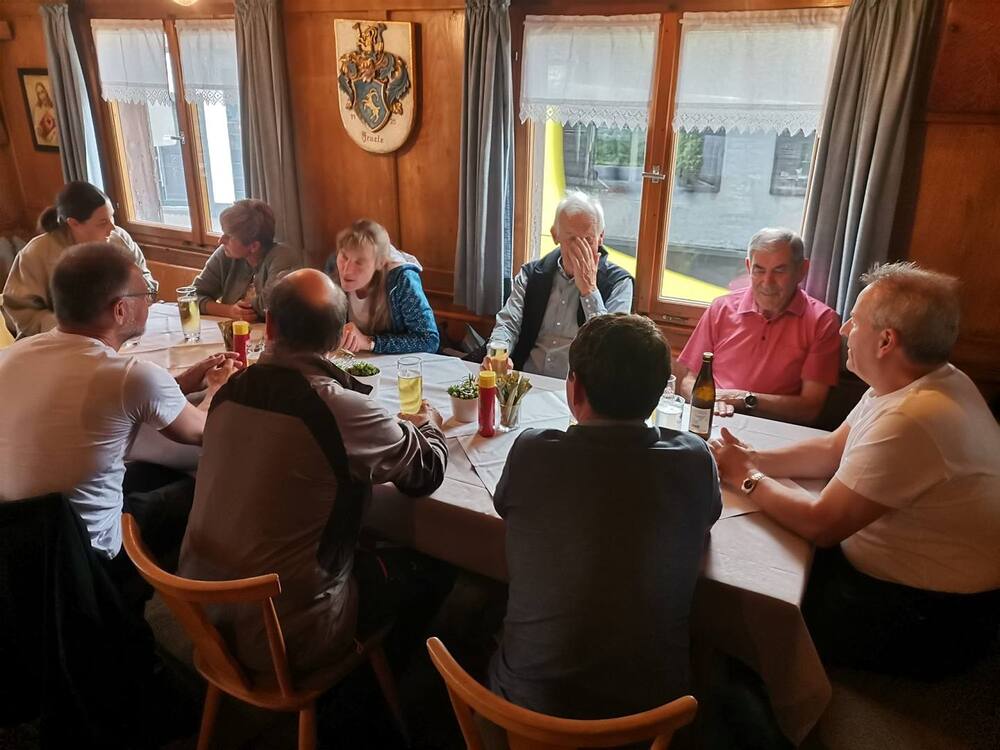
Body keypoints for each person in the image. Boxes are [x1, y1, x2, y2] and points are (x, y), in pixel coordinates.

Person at [710, 262, 1000, 677]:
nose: (845, 329)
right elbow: (832, 449)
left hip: (932, 614)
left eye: (856, 320)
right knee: (759, 556)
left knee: (744, 614)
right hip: (894, 576)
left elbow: (821, 525)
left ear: (886, 341)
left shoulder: (916, 417)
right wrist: (751, 459)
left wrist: (745, 477)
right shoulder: (914, 380)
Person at [179, 269, 451, 676]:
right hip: (285, 635)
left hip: (202, 616)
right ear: (339, 337)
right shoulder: (336, 409)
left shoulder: (229, 391)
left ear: (270, 325)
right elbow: (425, 473)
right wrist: (429, 424)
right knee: (435, 567)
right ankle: (362, 693)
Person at [489, 313, 721, 720]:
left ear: (575, 388)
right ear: (659, 394)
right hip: (650, 723)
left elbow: (505, 507)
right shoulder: (695, 459)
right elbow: (707, 519)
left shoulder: (531, 451)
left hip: (528, 717)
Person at [0, 242, 237, 596]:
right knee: (208, 483)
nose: (151, 302)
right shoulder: (129, 376)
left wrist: (179, 384)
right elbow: (204, 431)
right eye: (147, 294)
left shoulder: (10, 357)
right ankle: (200, 601)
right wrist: (218, 387)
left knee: (147, 470)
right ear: (121, 310)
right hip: (91, 559)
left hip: (19, 547)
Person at [677, 228, 840, 425]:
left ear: (802, 270)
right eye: (759, 270)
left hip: (774, 428)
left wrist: (744, 399)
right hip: (714, 417)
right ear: (748, 267)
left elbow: (810, 409)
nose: (767, 282)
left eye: (779, 270)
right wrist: (711, 401)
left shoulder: (822, 321)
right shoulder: (721, 308)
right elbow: (688, 381)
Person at [485, 192, 634, 379]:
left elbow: (610, 350)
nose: (580, 249)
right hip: (525, 380)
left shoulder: (620, 283)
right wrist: (497, 353)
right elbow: (508, 324)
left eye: (588, 240)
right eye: (572, 239)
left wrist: (589, 291)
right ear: (555, 235)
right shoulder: (532, 274)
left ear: (601, 237)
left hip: (580, 388)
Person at [2, 181, 156, 337]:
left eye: (112, 218)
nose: (112, 228)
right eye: (102, 222)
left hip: (119, 333)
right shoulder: (37, 253)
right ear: (74, 223)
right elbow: (21, 310)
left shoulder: (119, 239)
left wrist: (139, 295)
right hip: (59, 340)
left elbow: (147, 282)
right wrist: (73, 328)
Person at [327, 219, 439, 354]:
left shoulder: (402, 280)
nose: (347, 270)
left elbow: (429, 340)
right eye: (344, 257)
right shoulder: (332, 270)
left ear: (380, 263)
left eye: (359, 262)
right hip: (353, 360)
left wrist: (369, 342)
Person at [192, 199, 300, 322]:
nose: (220, 241)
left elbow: (270, 304)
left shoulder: (283, 256)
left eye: (229, 237)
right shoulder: (225, 254)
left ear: (254, 246)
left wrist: (240, 310)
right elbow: (191, 297)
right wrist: (229, 311)